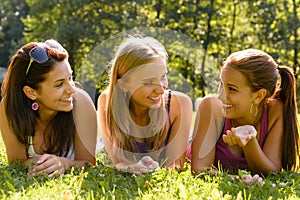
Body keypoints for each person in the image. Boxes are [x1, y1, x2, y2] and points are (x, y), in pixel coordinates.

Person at [191, 49, 299, 177]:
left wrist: (249, 143)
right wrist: (239, 180)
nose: (221, 95)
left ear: (259, 96)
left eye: (232, 89)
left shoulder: (276, 111)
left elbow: (272, 172)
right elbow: (199, 169)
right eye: (221, 84)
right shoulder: (211, 107)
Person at [0, 39, 97, 176]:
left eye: (70, 78)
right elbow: (16, 162)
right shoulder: (10, 107)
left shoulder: (81, 103)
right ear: (31, 92)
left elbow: (89, 163)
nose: (71, 90)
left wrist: (64, 163)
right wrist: (44, 164)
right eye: (59, 84)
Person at [98, 36, 193, 175]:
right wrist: (132, 168)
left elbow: (175, 166)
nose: (161, 89)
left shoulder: (179, 104)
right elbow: (118, 163)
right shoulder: (107, 102)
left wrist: (156, 172)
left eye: (163, 77)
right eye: (148, 82)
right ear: (123, 84)